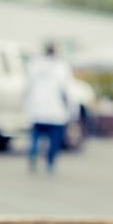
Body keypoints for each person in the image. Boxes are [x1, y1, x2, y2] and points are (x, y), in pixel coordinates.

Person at [24, 42, 73, 174]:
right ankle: (50, 163)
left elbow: (28, 86)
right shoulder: (61, 66)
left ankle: (33, 156)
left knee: (35, 136)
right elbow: (65, 89)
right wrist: (69, 107)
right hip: (55, 110)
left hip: (37, 107)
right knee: (54, 139)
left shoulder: (34, 64)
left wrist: (26, 104)